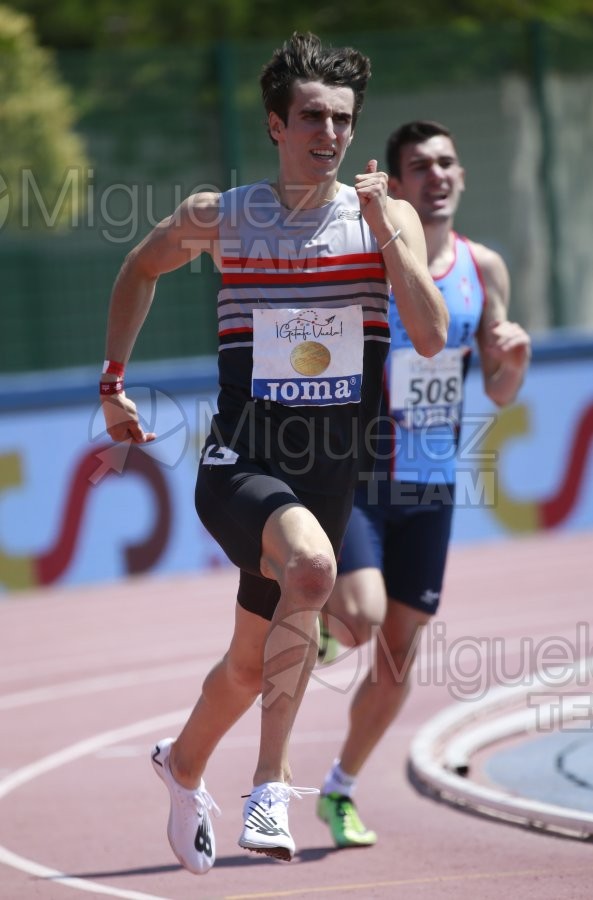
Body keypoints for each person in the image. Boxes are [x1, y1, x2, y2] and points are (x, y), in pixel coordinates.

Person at [100, 40, 448, 875]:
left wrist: (384, 236)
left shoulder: (385, 214)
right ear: (275, 124)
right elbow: (138, 268)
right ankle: (271, 781)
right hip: (242, 463)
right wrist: (113, 381)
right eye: (311, 116)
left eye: (341, 118)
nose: (327, 131)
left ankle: (182, 764)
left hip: (328, 473)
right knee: (312, 570)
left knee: (250, 665)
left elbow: (430, 337)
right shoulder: (224, 214)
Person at [316, 120, 532, 848]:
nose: (436, 175)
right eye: (420, 167)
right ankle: (307, 625)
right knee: (360, 617)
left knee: (397, 657)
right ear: (399, 187)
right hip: (361, 473)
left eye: (446, 162)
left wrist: (514, 356)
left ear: (460, 176)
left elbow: (499, 392)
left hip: (431, 486)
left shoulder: (485, 267)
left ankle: (338, 788)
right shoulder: (375, 263)